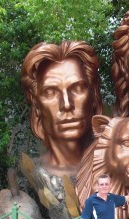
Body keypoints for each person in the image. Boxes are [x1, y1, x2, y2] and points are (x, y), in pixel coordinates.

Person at [21, 40, 102, 178]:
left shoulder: (118, 166)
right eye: (50, 92)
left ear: (93, 94)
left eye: (78, 88)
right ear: (36, 103)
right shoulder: (30, 175)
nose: (66, 104)